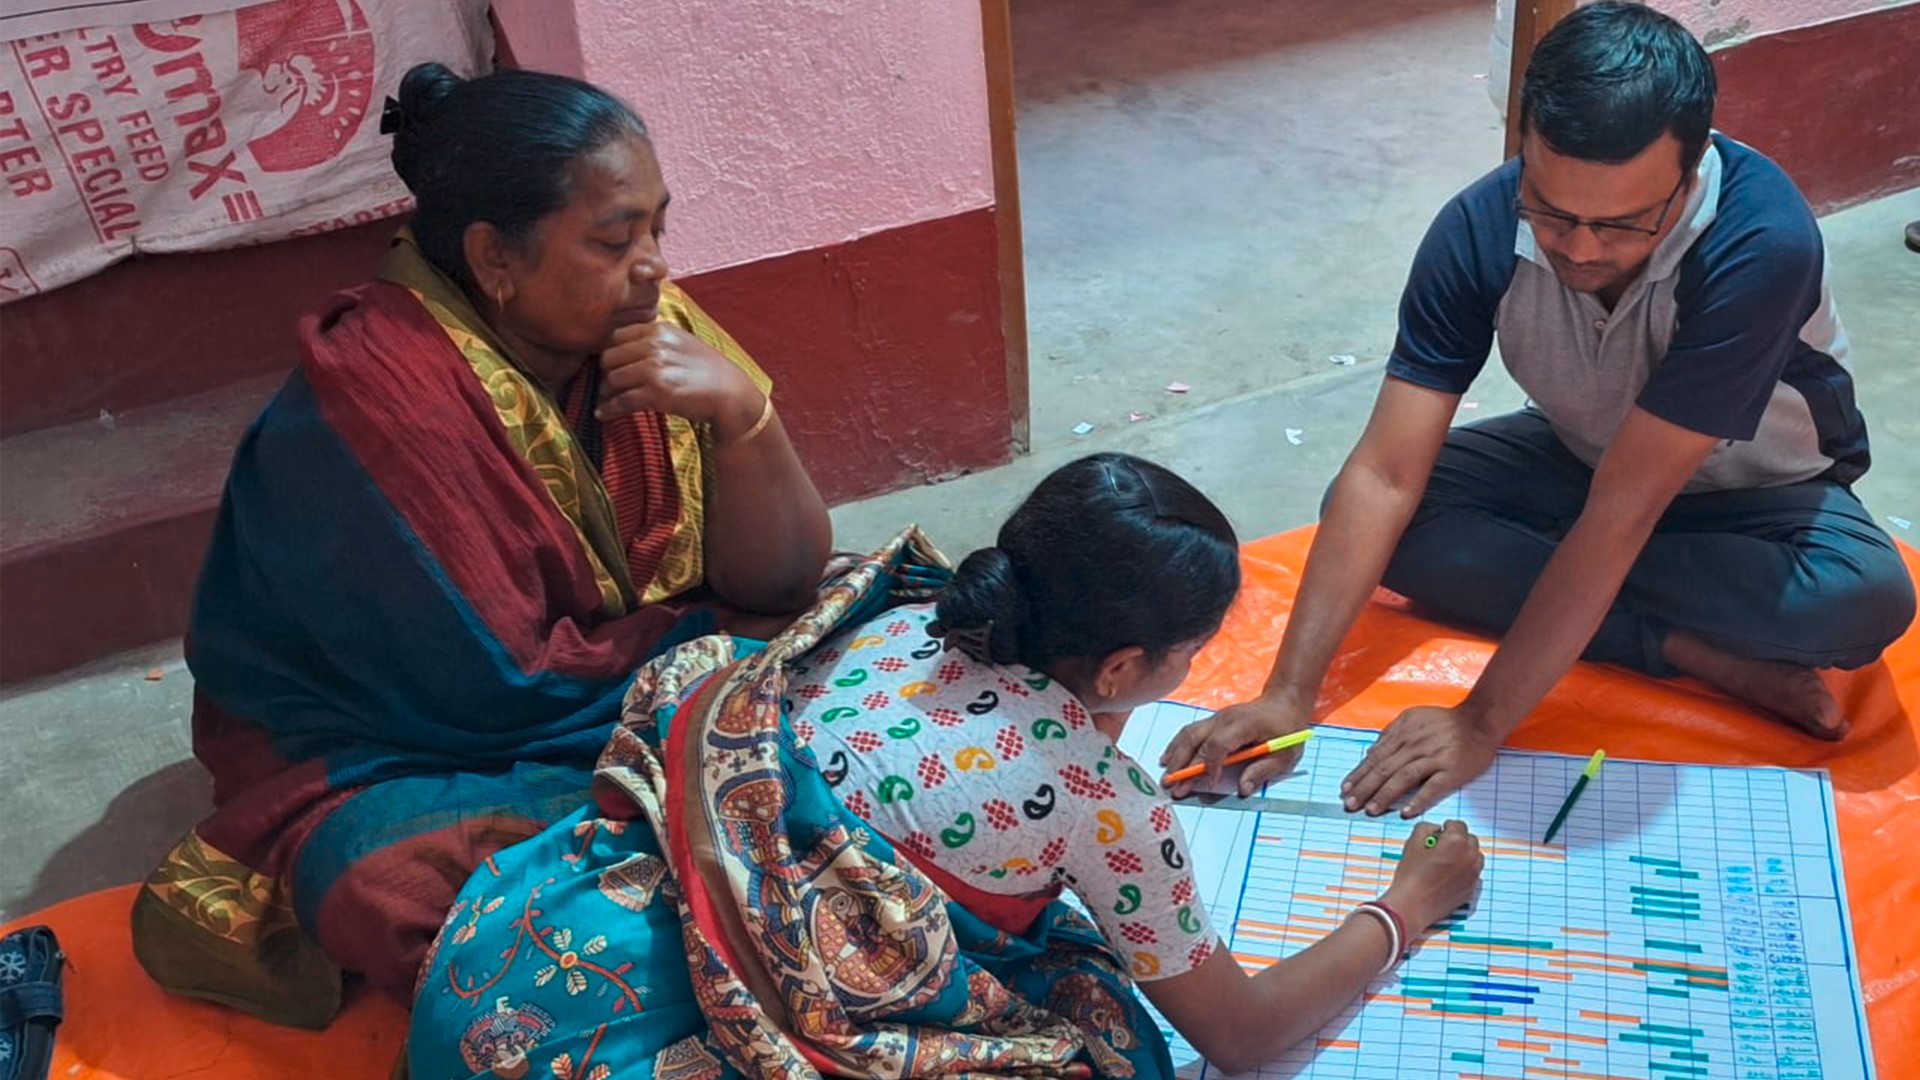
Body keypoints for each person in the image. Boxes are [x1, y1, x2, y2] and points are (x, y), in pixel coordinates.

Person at [130, 63, 832, 1028]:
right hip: (387, 737)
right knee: (382, 878)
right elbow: (488, 689)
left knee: (864, 654)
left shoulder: (640, 325)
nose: (656, 265)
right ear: (495, 260)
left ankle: (686, 844)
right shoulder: (388, 400)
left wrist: (743, 416)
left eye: (659, 226)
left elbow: (786, 575)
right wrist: (714, 664)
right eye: (616, 238)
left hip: (602, 680)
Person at [407, 453, 1484, 1079]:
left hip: (499, 970)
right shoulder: (1107, 807)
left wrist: (1093, 754)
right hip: (607, 1052)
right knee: (1099, 1043)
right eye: (1191, 654)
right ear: (1121, 664)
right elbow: (1241, 1037)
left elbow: (993, 759)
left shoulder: (897, 615)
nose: (1198, 669)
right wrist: (1404, 906)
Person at [1163, 2, 1914, 820]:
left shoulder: (1760, 243)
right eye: (1553, 212)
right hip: (1580, 456)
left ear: (1692, 172)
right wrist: (1288, 693)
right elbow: (1384, 473)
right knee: (1395, 521)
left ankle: (1594, 602)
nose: (1582, 249)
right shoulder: (1479, 227)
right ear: (1525, 153)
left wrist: (1481, 720)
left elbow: (1624, 511)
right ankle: (1684, 646)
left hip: (1759, 496)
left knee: (1861, 600)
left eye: (1624, 224)